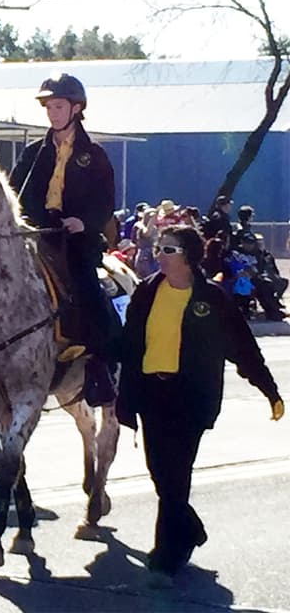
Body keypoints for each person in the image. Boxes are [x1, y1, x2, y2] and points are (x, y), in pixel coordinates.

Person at [116, 224, 283, 587]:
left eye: (168, 250)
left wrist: (269, 390)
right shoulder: (147, 291)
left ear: (189, 257)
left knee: (176, 476)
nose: (159, 255)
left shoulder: (212, 298)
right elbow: (128, 344)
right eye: (159, 248)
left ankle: (165, 558)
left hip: (190, 397)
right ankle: (190, 529)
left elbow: (242, 346)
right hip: (151, 395)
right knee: (160, 473)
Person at [0, 73, 119, 406]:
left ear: (76, 108)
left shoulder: (94, 155)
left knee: (90, 292)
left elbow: (105, 202)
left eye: (59, 106)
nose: (52, 113)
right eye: (49, 107)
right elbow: (14, 195)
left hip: (74, 240)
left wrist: (84, 222)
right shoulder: (33, 152)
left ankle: (99, 366)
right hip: (34, 236)